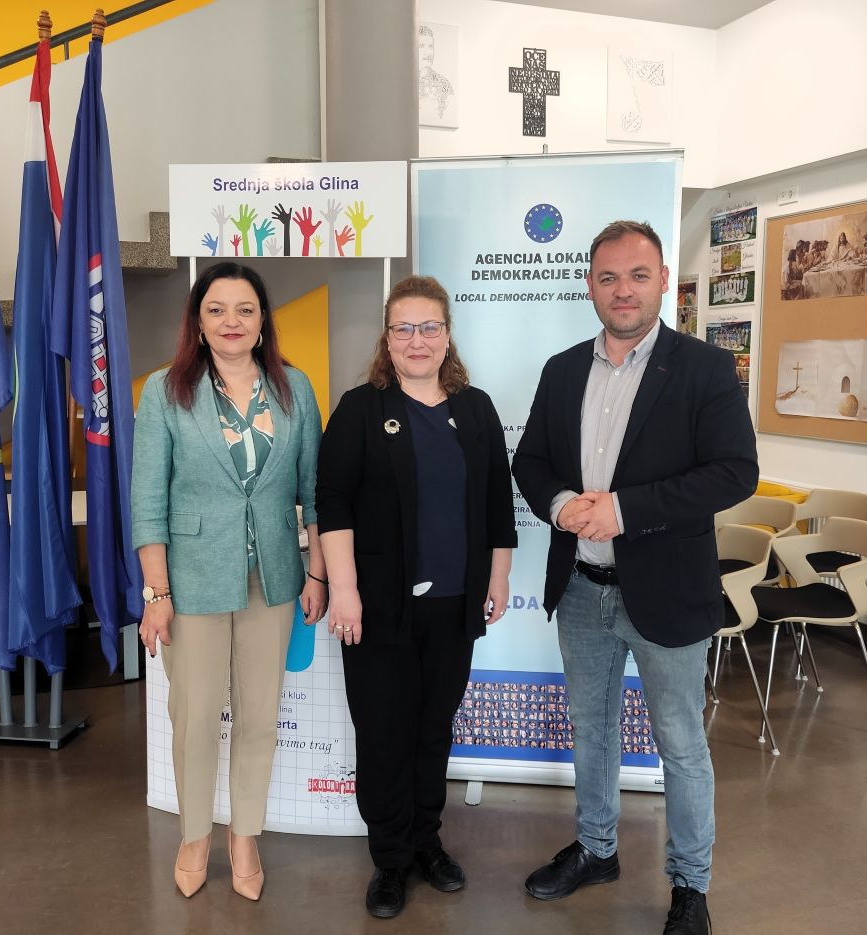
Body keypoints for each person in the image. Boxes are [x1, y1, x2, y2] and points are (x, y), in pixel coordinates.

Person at [512, 221, 758, 935]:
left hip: (669, 593)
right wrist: (562, 504)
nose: (623, 290)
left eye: (638, 275)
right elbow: (530, 462)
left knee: (680, 743)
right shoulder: (563, 369)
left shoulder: (705, 369)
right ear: (590, 286)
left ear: (662, 282)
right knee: (591, 731)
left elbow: (734, 472)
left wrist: (622, 510)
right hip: (581, 589)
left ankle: (690, 884)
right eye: (609, 277)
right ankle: (596, 849)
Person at [316, 275, 516, 919]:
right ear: (387, 338)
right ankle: (391, 858)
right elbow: (332, 505)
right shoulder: (360, 409)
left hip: (454, 605)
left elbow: (497, 502)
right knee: (384, 734)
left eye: (429, 327)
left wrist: (498, 577)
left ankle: (427, 841)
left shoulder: (476, 409)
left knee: (433, 729)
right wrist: (344, 590)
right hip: (377, 608)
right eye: (403, 328)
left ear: (447, 335)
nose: (417, 340)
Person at [132, 262, 327, 902]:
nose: (231, 322)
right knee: (193, 718)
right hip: (191, 581)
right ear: (198, 320)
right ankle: (194, 836)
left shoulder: (294, 388)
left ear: (263, 319)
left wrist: (317, 571)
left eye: (245, 309)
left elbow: (315, 491)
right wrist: (157, 593)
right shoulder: (165, 390)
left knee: (259, 717)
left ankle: (245, 838)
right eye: (216, 309)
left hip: (273, 577)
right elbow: (148, 501)